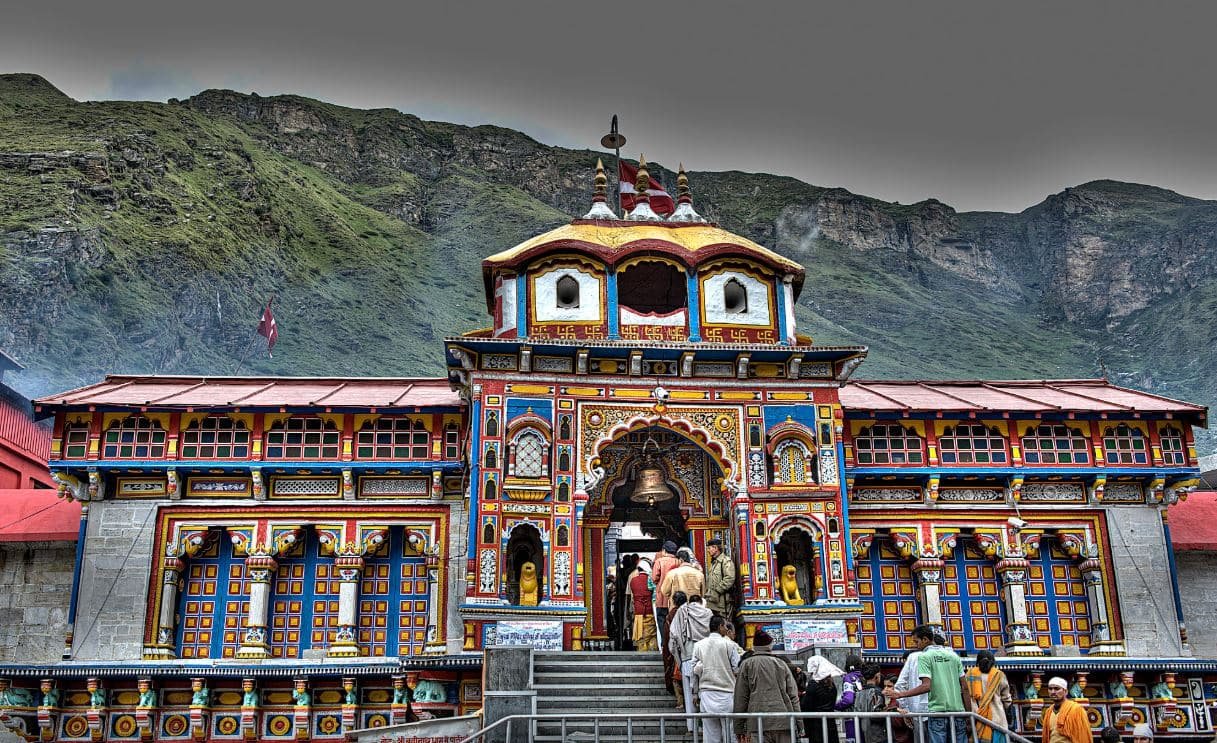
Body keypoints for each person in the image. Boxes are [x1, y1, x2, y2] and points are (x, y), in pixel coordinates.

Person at [884, 626, 972, 743]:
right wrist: (968, 714)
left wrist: (901, 695)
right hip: (957, 712)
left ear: (925, 639)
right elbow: (965, 688)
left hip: (936, 713)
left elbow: (926, 686)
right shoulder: (953, 656)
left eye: (917, 641)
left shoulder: (924, 656)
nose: (916, 645)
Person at [733, 629, 800, 743]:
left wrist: (738, 728)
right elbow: (793, 696)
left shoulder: (747, 664)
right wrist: (799, 724)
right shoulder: (781, 664)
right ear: (770, 645)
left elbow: (740, 698)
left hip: (757, 723)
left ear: (754, 646)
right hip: (783, 721)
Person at [692, 614, 743, 743]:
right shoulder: (729, 645)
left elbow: (694, 671)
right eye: (725, 626)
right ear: (720, 626)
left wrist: (694, 693)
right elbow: (737, 668)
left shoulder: (699, 645)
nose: (726, 629)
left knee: (710, 736)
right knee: (730, 734)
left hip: (707, 694)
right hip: (727, 694)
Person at [670, 594, 714, 729]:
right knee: (706, 691)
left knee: (689, 696)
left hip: (687, 658)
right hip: (707, 659)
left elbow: (673, 638)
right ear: (701, 602)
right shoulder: (709, 613)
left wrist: (679, 658)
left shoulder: (682, 611)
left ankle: (692, 727)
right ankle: (707, 726)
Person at [967, 650, 1012, 742]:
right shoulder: (999, 675)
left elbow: (965, 695)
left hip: (976, 718)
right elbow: (1007, 699)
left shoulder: (970, 675)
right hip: (997, 719)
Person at [893, 643, 931, 743]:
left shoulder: (913, 659)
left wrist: (906, 710)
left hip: (917, 712)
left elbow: (899, 686)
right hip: (939, 711)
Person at [802, 656, 844, 743]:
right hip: (831, 724)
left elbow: (806, 706)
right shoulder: (832, 686)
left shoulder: (813, 686)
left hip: (816, 726)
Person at [1040, 677, 1089, 743]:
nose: (1053, 692)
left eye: (1057, 689)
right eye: (1050, 689)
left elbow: (1083, 736)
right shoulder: (1048, 712)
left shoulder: (1076, 709)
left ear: (1065, 691)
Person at [663, 591, 688, 701]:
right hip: (689, 648)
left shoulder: (672, 614)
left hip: (677, 649)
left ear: (673, 601)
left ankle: (680, 700)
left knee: (676, 676)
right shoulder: (691, 612)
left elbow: (668, 634)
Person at [835, 654, 865, 743]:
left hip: (852, 717)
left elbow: (848, 700)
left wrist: (835, 705)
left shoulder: (848, 678)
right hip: (866, 716)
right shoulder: (864, 676)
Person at [652, 541, 682, 632]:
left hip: (662, 598)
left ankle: (664, 643)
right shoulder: (679, 561)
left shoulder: (659, 561)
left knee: (662, 621)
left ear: (664, 551)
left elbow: (654, 578)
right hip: (676, 598)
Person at [629, 561, 658, 651]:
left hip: (638, 611)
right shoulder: (651, 579)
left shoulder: (633, 580)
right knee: (652, 634)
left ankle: (642, 651)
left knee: (640, 634)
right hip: (650, 610)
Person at [705, 537, 737, 618]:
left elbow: (729, 578)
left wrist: (717, 590)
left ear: (715, 548)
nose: (708, 551)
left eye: (709, 548)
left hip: (723, 604)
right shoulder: (714, 563)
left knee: (724, 625)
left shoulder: (725, 561)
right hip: (712, 603)